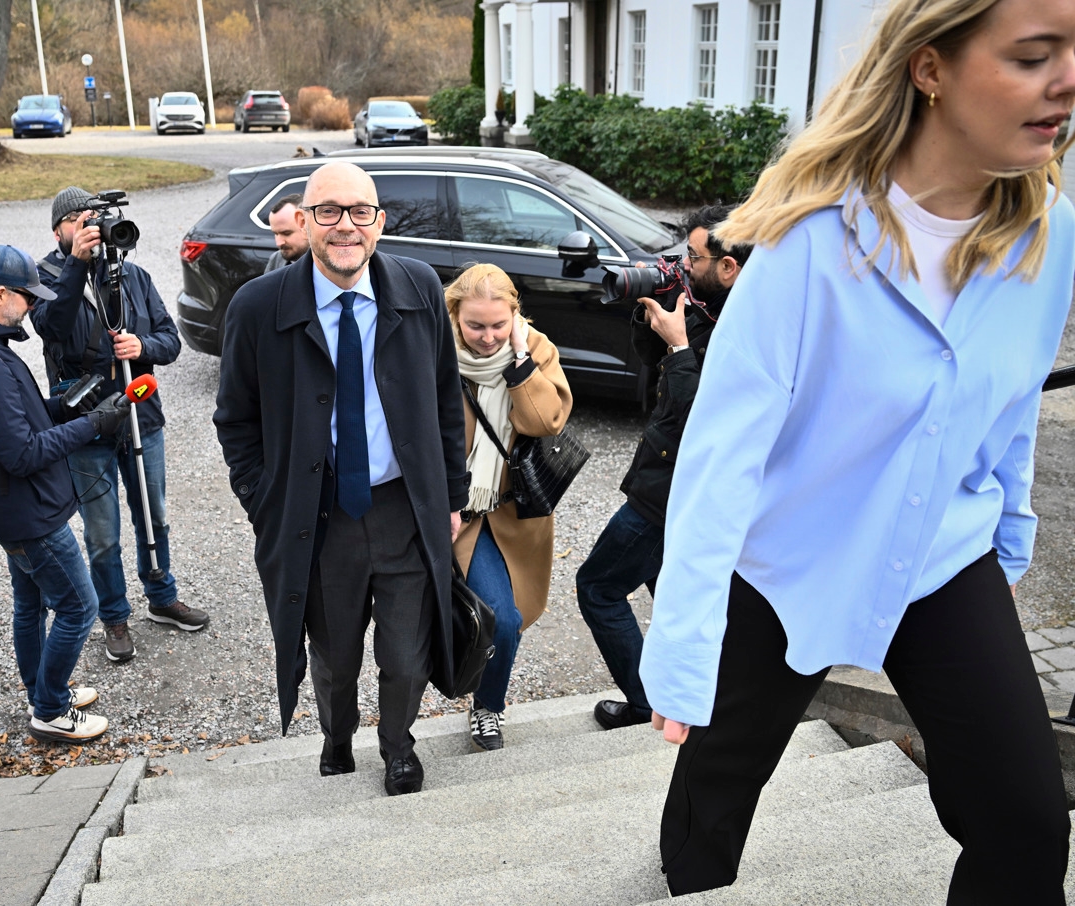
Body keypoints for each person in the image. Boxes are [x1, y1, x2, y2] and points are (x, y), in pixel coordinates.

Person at [638, 0, 1075, 898]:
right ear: (930, 68)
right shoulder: (808, 238)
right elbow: (722, 454)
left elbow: (1013, 395)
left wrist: (1011, 530)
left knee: (1028, 823)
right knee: (713, 796)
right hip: (786, 560)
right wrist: (683, 648)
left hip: (941, 555)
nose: (1067, 79)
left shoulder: (1049, 230)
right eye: (1035, 55)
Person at [215, 161, 470, 796]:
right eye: (328, 211)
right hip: (319, 517)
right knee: (334, 657)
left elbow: (445, 400)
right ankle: (336, 734)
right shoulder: (257, 308)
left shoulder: (418, 288)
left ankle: (399, 746)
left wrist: (452, 497)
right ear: (303, 220)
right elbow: (235, 421)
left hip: (404, 511)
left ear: (379, 221)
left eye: (360, 212)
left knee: (408, 656)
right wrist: (265, 501)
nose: (345, 227)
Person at [0, 246, 133, 743]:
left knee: (32, 606)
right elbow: (21, 453)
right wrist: (93, 425)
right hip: (29, 511)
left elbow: (17, 419)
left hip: (15, 506)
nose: (33, 306)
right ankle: (51, 710)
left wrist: (63, 406)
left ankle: (41, 688)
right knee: (79, 606)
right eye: (26, 296)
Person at [576, 205, 748, 732]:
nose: (685, 264)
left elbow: (700, 416)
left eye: (694, 257)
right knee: (668, 586)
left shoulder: (749, 332)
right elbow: (650, 362)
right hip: (668, 483)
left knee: (597, 587)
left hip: (669, 494)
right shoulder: (712, 308)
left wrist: (678, 346)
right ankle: (694, 689)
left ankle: (648, 701)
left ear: (729, 267)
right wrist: (654, 317)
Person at [33, 186, 209, 664]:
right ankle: (113, 615)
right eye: (80, 219)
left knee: (155, 515)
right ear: (59, 231)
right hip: (86, 424)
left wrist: (142, 347)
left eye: (97, 218)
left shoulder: (133, 275)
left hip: (141, 416)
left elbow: (170, 341)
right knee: (103, 532)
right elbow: (53, 327)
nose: (91, 227)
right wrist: (75, 263)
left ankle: (162, 597)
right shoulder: (45, 277)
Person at [447, 263, 571, 751]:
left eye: (498, 324)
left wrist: (519, 363)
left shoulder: (535, 349)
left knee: (507, 616)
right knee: (488, 614)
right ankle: (470, 708)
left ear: (515, 315)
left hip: (512, 511)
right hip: (455, 511)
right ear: (454, 314)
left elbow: (546, 421)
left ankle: (486, 705)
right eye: (474, 325)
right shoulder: (432, 348)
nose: (486, 336)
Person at [264, 193, 308, 272]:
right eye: (276, 234)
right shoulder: (276, 259)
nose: (279, 243)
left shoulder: (329, 262)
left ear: (305, 225)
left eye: (286, 233)